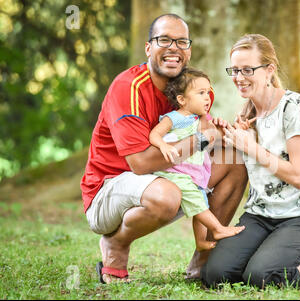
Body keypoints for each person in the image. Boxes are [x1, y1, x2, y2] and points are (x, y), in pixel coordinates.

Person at [80, 13, 248, 284]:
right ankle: (116, 244)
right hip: (108, 191)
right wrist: (203, 139)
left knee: (234, 162)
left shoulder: (193, 90)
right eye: (164, 40)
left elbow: (202, 137)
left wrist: (226, 134)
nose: (173, 48)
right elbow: (141, 164)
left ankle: (204, 264)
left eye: (181, 41)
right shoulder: (129, 88)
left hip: (166, 177)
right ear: (148, 48)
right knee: (167, 195)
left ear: (189, 51)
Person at [201, 34, 300, 289]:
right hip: (260, 215)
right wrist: (219, 136)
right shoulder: (246, 115)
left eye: (248, 69)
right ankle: (270, 253)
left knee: (264, 278)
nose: (239, 77)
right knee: (215, 275)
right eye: (234, 70)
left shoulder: (293, 107)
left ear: (269, 70)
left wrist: (251, 147)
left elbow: (299, 176)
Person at [149, 67, 245, 251]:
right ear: (182, 99)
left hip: (192, 172)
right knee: (197, 202)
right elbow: (155, 135)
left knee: (202, 202)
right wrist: (163, 145)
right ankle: (218, 229)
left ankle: (201, 242)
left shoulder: (199, 119)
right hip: (175, 172)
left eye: (208, 92)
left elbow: (213, 138)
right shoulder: (174, 118)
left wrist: (229, 128)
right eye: (201, 93)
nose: (207, 97)